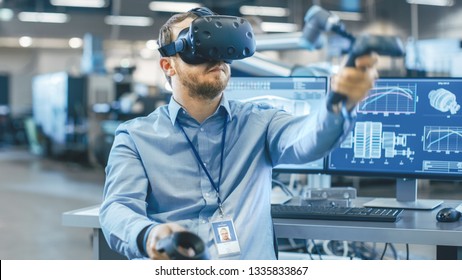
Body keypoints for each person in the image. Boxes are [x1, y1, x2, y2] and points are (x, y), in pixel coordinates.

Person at [99, 7, 378, 260]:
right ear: (168, 65)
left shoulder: (261, 122)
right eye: (199, 45)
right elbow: (116, 209)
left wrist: (339, 103)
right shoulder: (135, 137)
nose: (215, 56)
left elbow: (307, 139)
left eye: (220, 45)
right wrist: (149, 235)